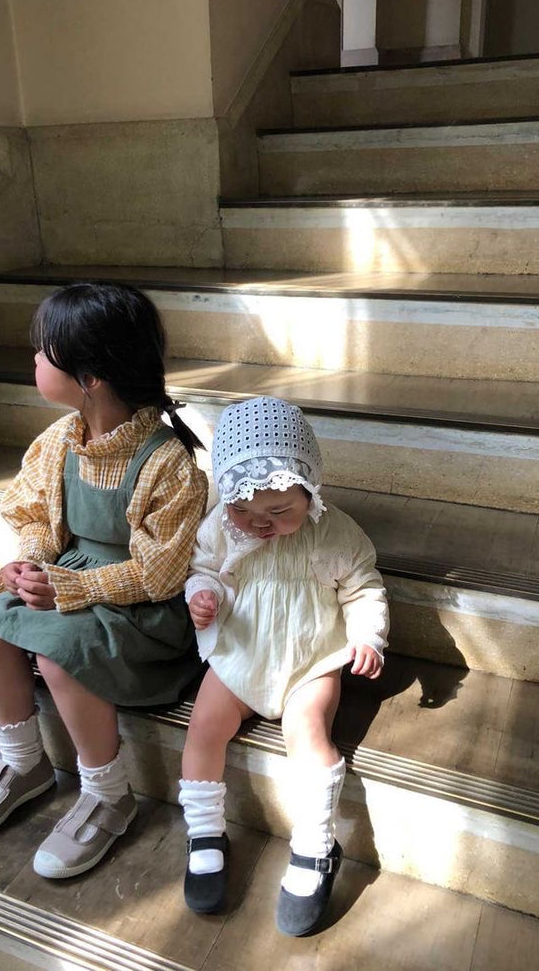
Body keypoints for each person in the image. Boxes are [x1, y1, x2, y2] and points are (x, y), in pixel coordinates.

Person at [0, 281, 208, 879]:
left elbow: (161, 573)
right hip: (70, 579)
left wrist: (76, 589)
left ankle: (108, 794)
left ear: (89, 377)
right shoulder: (60, 442)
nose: (34, 359)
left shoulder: (167, 463)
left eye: (45, 351)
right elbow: (37, 518)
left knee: (62, 654)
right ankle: (23, 763)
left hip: (141, 606)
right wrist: (31, 563)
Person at [179, 396, 388, 934]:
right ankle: (204, 831)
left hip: (308, 660)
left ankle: (316, 844)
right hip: (241, 652)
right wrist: (202, 594)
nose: (260, 524)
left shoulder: (336, 533)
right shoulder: (219, 527)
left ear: (309, 491)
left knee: (309, 731)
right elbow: (204, 569)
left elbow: (363, 587)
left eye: (279, 512)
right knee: (203, 728)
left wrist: (367, 636)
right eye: (244, 512)